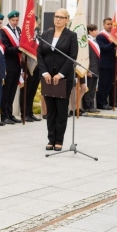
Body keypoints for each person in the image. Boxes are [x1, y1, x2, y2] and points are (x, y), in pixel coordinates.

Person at [37, 9, 78, 151]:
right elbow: (40, 54)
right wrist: (45, 73)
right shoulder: (45, 34)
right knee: (51, 109)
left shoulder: (72, 36)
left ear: (67, 20)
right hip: (48, 78)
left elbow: (72, 56)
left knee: (61, 109)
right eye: (56, 17)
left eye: (62, 17)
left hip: (63, 78)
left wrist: (60, 74)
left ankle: (59, 140)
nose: (58, 19)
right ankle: (51, 139)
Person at [0, 10, 22, 125]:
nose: (15, 22)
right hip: (8, 65)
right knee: (6, 91)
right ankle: (4, 115)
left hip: (17, 65)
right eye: (13, 20)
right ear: (9, 20)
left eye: (17, 20)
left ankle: (10, 113)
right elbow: (6, 49)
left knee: (13, 91)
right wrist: (19, 49)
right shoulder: (4, 31)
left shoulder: (18, 30)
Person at [20, 16, 42, 122]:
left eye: (36, 23)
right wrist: (22, 70)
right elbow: (22, 54)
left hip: (37, 67)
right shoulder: (25, 36)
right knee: (26, 91)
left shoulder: (38, 37)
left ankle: (30, 112)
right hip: (27, 67)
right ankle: (24, 113)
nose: (35, 26)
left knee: (32, 91)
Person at [96, 18, 117, 110]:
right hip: (104, 64)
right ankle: (101, 103)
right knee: (103, 84)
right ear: (104, 25)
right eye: (108, 24)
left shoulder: (112, 35)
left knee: (109, 84)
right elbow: (103, 48)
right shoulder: (101, 36)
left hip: (112, 64)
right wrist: (113, 44)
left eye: (111, 24)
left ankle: (105, 102)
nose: (110, 26)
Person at [82, 24, 100, 113]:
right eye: (95, 30)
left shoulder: (95, 41)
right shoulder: (87, 42)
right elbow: (86, 57)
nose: (97, 31)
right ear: (90, 31)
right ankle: (87, 106)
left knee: (93, 89)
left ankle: (91, 105)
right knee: (88, 88)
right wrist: (87, 69)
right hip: (90, 69)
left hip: (96, 68)